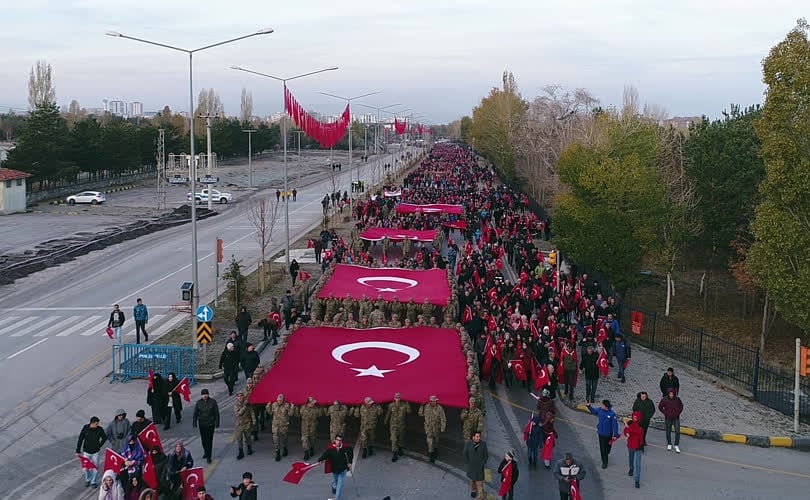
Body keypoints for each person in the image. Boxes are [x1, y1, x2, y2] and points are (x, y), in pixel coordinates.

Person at [317, 435, 353, 500]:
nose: (339, 442)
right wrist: (320, 460)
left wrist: (350, 462)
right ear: (335, 440)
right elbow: (325, 455)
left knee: (339, 486)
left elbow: (351, 453)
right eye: (337, 440)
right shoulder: (331, 449)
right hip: (334, 469)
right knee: (336, 482)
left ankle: (337, 498)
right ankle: (334, 485)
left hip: (342, 470)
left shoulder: (346, 448)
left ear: (342, 441)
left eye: (340, 440)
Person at [586, 399, 619, 469]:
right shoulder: (600, 410)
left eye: (603, 405)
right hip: (601, 433)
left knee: (608, 448)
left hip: (609, 434)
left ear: (606, 406)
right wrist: (589, 406)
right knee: (602, 449)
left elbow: (615, 425)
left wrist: (615, 434)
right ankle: (605, 462)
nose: (601, 406)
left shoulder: (612, 414)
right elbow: (594, 411)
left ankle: (606, 453)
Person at [77, 415, 107, 488]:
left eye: (98, 424)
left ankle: (93, 481)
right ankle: (88, 479)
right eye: (96, 424)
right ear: (92, 423)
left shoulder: (100, 429)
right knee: (85, 468)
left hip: (95, 452)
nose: (97, 425)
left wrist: (99, 445)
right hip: (86, 451)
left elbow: (104, 437)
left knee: (95, 467)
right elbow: (80, 439)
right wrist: (78, 450)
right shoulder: (85, 428)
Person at [193, 388, 220, 463]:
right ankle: (206, 451)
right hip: (202, 424)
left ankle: (209, 456)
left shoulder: (213, 402)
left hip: (210, 424)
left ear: (208, 394)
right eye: (203, 394)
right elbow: (195, 413)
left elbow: (216, 413)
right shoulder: (198, 403)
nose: (205, 396)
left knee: (209, 440)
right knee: (204, 440)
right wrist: (194, 422)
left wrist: (217, 423)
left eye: (206, 394)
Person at [418, 395, 447, 463]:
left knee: (436, 441)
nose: (433, 402)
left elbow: (443, 419)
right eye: (432, 401)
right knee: (430, 441)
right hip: (428, 428)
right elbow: (420, 414)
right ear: (430, 401)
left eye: (435, 401)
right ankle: (431, 455)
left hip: (437, 428)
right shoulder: (426, 407)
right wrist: (421, 406)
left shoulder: (440, 408)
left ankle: (435, 449)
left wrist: (443, 428)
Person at [385, 392, 411, 462]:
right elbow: (388, 413)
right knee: (393, 439)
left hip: (401, 425)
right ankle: (394, 454)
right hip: (393, 425)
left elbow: (409, 411)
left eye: (398, 397)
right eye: (396, 397)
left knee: (401, 438)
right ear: (394, 398)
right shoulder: (391, 405)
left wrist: (407, 404)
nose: (397, 399)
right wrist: (385, 421)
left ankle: (400, 449)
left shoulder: (404, 405)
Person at [266, 393, 293, 461]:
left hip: (283, 426)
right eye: (278, 400)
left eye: (280, 400)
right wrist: (268, 406)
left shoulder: (286, 405)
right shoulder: (274, 405)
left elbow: (290, 414)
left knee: (284, 439)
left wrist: (292, 407)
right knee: (276, 440)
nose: (279, 401)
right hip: (275, 426)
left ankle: (285, 448)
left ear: (283, 400)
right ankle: (277, 453)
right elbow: (270, 413)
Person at [463, 431, 488, 500]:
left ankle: (480, 497)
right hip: (471, 467)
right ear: (473, 437)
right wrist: (468, 463)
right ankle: (473, 490)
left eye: (479, 436)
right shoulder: (468, 443)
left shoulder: (483, 444)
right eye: (477, 436)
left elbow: (486, 455)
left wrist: (482, 463)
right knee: (472, 480)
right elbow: (465, 454)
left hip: (479, 467)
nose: (479, 438)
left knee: (480, 483)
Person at [659, 387, 684, 453]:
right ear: (668, 394)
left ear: (674, 393)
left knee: (677, 431)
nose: (671, 395)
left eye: (672, 393)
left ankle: (676, 444)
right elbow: (660, 407)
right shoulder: (664, 399)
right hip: (668, 418)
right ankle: (669, 443)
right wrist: (665, 413)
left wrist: (678, 413)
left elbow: (681, 407)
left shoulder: (678, 400)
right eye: (670, 393)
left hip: (676, 418)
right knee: (668, 431)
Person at [624, 411, 645, 488]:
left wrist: (628, 428)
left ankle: (637, 480)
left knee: (638, 464)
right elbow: (625, 430)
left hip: (638, 446)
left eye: (636, 417)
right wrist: (626, 432)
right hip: (631, 444)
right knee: (631, 458)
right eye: (633, 417)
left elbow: (638, 432)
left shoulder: (641, 425)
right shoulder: (630, 422)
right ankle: (631, 468)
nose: (634, 419)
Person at [234, 392, 256, 460]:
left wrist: (254, 420)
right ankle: (241, 452)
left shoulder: (247, 403)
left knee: (248, 437)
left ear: (243, 396)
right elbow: (238, 413)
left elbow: (251, 412)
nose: (240, 397)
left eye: (241, 396)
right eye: (238, 396)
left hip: (247, 423)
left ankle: (249, 449)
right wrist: (244, 407)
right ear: (237, 398)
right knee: (239, 439)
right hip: (239, 425)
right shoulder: (236, 405)